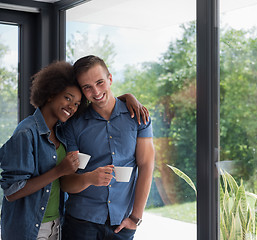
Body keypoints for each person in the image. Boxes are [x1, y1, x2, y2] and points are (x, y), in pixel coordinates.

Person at [0, 61, 148, 240]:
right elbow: (12, 191)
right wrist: (63, 171)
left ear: (110, 79)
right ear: (50, 94)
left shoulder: (60, 130)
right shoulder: (29, 132)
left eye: (76, 103)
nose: (71, 106)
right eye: (67, 98)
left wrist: (126, 98)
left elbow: (101, 100)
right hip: (32, 226)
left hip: (57, 223)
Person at [60, 55, 155, 240]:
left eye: (100, 82)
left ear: (110, 78)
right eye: (87, 87)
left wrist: (136, 218)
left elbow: (146, 167)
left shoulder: (138, 117)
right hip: (80, 222)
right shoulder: (73, 125)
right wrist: (88, 178)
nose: (96, 92)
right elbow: (65, 182)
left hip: (121, 224)